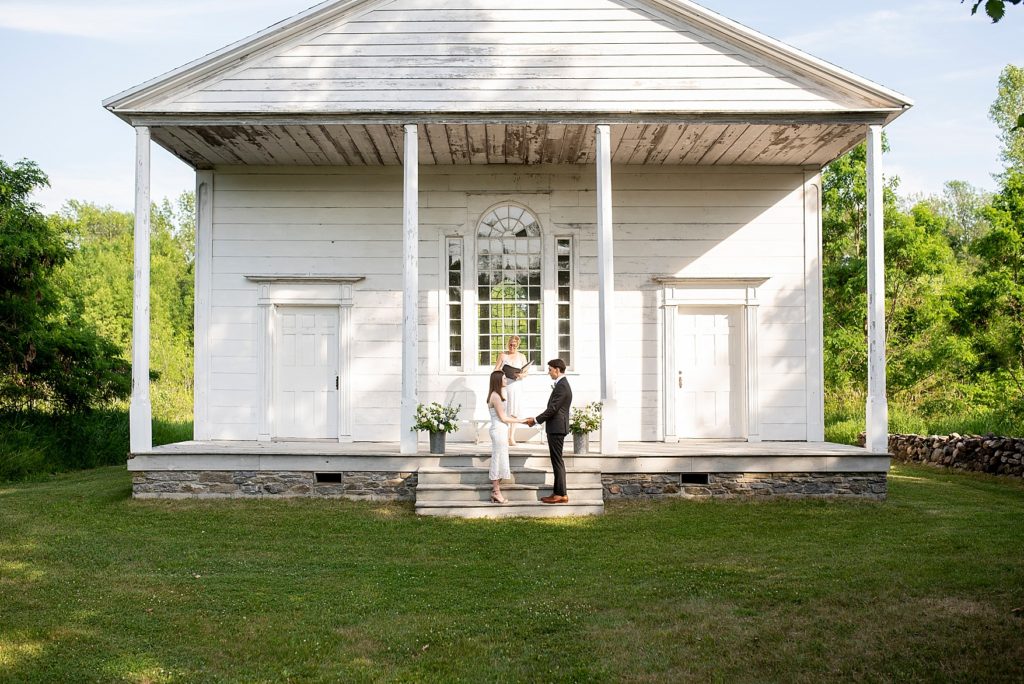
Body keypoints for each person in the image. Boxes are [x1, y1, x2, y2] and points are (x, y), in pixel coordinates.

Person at [524, 359, 572, 504]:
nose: (549, 372)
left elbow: (553, 409)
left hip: (557, 428)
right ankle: (559, 492)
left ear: (557, 370)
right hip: (556, 427)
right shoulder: (561, 384)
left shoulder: (562, 386)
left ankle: (561, 494)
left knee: (557, 461)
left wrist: (536, 420)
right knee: (556, 460)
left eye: (550, 369)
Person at [486, 370, 524, 504]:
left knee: (501, 459)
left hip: (501, 430)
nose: (506, 380)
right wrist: (521, 421)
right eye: (503, 378)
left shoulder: (498, 394)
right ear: (497, 380)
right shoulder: (495, 396)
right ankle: (496, 491)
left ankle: (495, 492)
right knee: (497, 460)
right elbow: (503, 417)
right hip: (498, 430)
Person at [493, 335, 529, 447]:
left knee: (514, 411)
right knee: (504, 410)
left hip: (516, 386)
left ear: (518, 345)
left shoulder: (522, 356)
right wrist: (502, 373)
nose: (512, 346)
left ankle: (511, 437)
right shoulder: (503, 355)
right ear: (507, 344)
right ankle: (503, 436)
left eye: (514, 345)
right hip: (504, 386)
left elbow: (526, 373)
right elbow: (495, 370)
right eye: (510, 344)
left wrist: (520, 375)